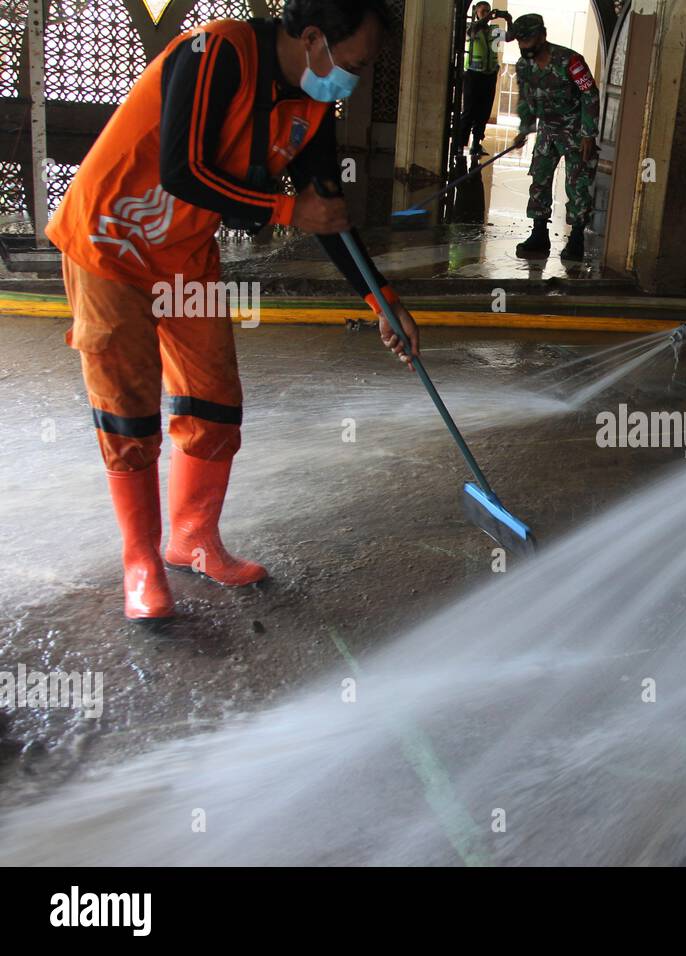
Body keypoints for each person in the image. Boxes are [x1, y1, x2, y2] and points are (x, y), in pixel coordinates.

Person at [45, 0, 419, 621]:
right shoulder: (214, 53)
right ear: (314, 38)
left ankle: (192, 539)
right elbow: (182, 170)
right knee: (127, 407)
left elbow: (326, 213)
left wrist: (382, 300)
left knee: (214, 398)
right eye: (353, 62)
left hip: (184, 255)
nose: (351, 78)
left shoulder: (312, 101)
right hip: (109, 241)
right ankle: (140, 560)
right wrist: (283, 211)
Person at [507, 13, 600, 262]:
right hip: (547, 131)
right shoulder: (524, 65)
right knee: (539, 180)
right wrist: (524, 128)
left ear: (542, 36)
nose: (524, 47)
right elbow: (526, 99)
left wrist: (588, 134)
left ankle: (577, 239)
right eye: (520, 42)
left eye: (528, 40)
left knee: (577, 185)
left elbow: (590, 95)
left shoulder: (571, 61)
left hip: (576, 133)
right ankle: (539, 234)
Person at [456, 2, 506, 159]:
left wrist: (508, 19)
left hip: (489, 76)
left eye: (488, 11)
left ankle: (476, 144)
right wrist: (486, 18)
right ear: (476, 12)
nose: (486, 14)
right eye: (482, 11)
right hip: (473, 74)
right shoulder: (472, 26)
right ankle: (459, 145)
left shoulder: (494, 30)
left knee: (483, 112)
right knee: (469, 111)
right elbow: (470, 32)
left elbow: (510, 37)